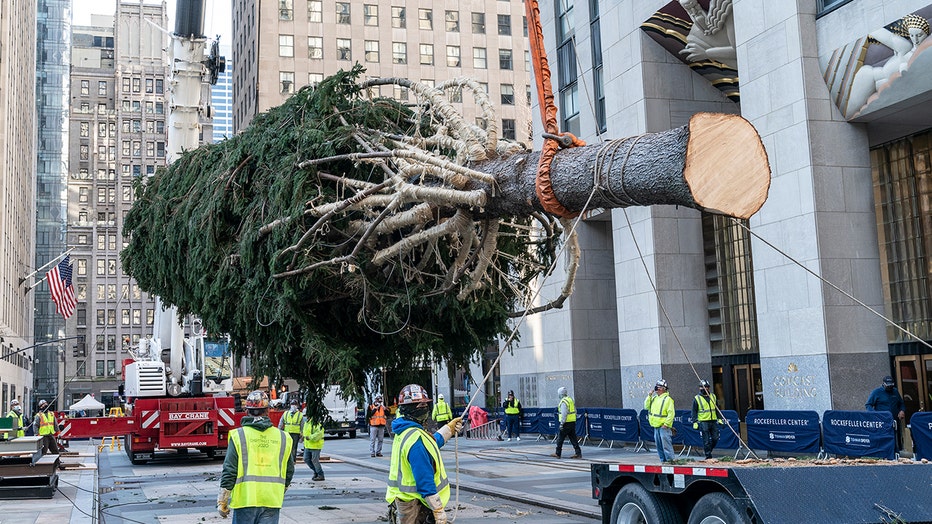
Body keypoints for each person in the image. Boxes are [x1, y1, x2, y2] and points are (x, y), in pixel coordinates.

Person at [385, 384, 463, 524]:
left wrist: (448, 430)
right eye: (422, 406)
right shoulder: (416, 440)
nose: (426, 409)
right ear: (412, 410)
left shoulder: (405, 431)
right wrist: (438, 510)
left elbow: (431, 443)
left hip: (403, 502)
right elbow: (424, 479)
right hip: (416, 507)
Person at [218, 390, 295, 522]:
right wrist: (281, 491)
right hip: (271, 500)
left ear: (247, 411)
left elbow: (230, 470)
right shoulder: (283, 437)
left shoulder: (239, 436)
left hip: (246, 501)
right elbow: (289, 471)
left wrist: (222, 501)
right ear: (267, 411)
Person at [846, 14, 930, 118]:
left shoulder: (923, 51)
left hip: (882, 82)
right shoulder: (906, 47)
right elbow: (886, 37)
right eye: (912, 35)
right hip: (871, 76)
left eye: (919, 35)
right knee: (849, 112)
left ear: (926, 33)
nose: (916, 40)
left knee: (849, 113)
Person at [865, 375, 907, 452]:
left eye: (891, 385)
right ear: (883, 384)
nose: (889, 387)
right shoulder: (876, 392)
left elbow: (901, 403)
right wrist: (875, 415)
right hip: (881, 420)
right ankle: (883, 452)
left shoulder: (895, 391)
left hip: (894, 419)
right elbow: (868, 405)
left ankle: (895, 452)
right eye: (888, 385)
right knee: (883, 437)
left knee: (893, 436)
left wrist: (902, 410)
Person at [691, 379, 723, 459]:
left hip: (713, 420)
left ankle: (708, 450)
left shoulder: (713, 396)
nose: (705, 389)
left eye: (707, 387)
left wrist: (719, 419)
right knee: (706, 440)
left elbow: (717, 409)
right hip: (703, 421)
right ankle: (708, 456)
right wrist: (695, 421)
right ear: (700, 388)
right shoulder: (697, 398)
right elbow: (694, 411)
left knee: (715, 438)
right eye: (703, 387)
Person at [645, 379, 675, 463]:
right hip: (656, 426)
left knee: (666, 445)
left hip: (663, 426)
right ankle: (663, 460)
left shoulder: (668, 399)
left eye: (658, 387)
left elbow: (671, 413)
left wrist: (666, 424)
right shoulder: (654, 398)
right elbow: (646, 407)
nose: (656, 389)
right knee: (659, 445)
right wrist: (649, 396)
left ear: (663, 388)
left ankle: (670, 461)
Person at [551, 387, 581, 459]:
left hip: (566, 423)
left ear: (561, 394)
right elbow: (575, 411)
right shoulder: (570, 400)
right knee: (573, 438)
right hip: (572, 422)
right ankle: (578, 453)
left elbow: (564, 413)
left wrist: (562, 423)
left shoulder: (564, 402)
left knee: (560, 439)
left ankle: (558, 453)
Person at [302, 414, 326, 481]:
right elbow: (306, 433)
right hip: (308, 445)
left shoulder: (316, 423)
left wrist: (309, 437)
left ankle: (320, 474)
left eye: (306, 415)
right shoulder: (307, 423)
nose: (305, 417)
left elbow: (319, 433)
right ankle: (316, 472)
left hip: (315, 445)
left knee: (315, 460)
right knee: (306, 459)